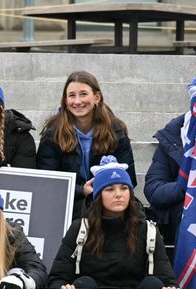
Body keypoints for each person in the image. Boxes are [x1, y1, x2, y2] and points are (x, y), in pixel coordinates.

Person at [48, 156, 180, 289]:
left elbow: (168, 280)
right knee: (83, 283)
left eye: (124, 188)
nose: (118, 195)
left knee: (153, 284)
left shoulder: (147, 230)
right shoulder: (80, 228)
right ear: (98, 196)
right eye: (110, 189)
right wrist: (63, 288)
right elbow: (57, 278)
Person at [36, 71, 136, 220]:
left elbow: (129, 178)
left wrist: (103, 188)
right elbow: (47, 182)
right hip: (68, 201)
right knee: (83, 210)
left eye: (83, 94)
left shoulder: (115, 131)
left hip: (107, 197)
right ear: (65, 100)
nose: (77, 101)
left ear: (97, 97)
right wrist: (81, 190)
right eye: (71, 95)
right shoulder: (53, 134)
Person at [144, 76, 196, 245]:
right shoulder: (174, 135)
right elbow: (153, 190)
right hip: (180, 212)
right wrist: (185, 185)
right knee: (193, 212)